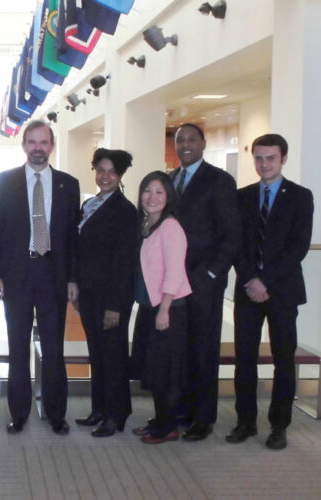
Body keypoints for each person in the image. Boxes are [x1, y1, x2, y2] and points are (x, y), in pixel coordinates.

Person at [0, 120, 80, 435]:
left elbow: (72, 238)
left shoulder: (68, 184)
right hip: (17, 275)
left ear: (52, 145)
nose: (37, 148)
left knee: (54, 349)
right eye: (32, 142)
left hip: (54, 275)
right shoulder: (4, 181)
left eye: (43, 142)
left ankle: (56, 414)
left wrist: (72, 278)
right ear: (24, 145)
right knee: (18, 347)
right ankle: (19, 413)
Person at [226, 134, 313, 450]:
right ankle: (245, 421)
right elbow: (235, 243)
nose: (264, 164)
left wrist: (265, 281)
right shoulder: (242, 197)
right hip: (247, 290)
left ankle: (279, 425)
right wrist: (251, 279)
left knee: (283, 359)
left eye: (271, 158)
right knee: (244, 358)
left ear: (283, 159)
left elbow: (298, 247)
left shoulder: (300, 196)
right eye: (259, 158)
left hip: (283, 290)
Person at [170, 123, 240, 441]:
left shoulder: (220, 180)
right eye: (179, 140)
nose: (185, 144)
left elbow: (232, 234)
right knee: (179, 347)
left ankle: (203, 417)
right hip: (173, 282)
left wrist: (212, 273)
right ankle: (182, 409)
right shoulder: (170, 179)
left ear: (203, 144)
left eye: (191, 139)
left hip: (204, 281)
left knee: (203, 349)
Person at [74, 148, 136, 437]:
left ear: (120, 175)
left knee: (113, 355)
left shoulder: (125, 211)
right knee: (97, 354)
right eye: (101, 170)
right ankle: (99, 409)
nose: (105, 176)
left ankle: (116, 414)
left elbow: (124, 263)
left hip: (112, 297)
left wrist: (115, 305)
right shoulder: (89, 204)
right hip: (89, 294)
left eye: (112, 171)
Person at [131, 171, 192, 444]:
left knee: (166, 370)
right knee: (153, 367)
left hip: (168, 308)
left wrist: (165, 308)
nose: (152, 197)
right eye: (147, 190)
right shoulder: (147, 224)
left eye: (159, 192)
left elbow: (175, 272)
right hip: (150, 305)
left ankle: (168, 427)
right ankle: (160, 419)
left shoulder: (170, 227)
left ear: (168, 197)